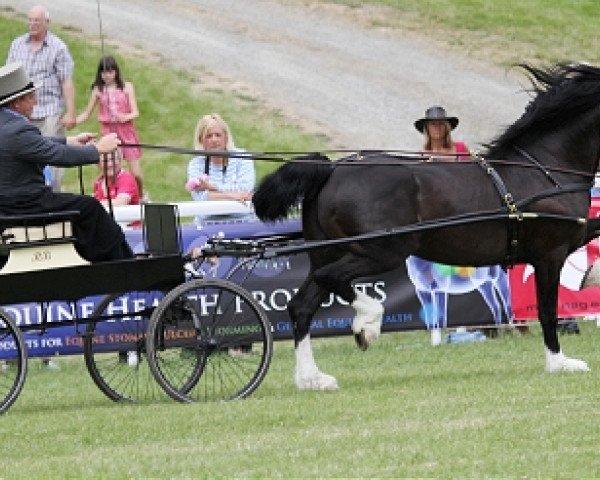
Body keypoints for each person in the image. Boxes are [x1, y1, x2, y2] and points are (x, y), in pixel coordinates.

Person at [7, 5, 77, 192]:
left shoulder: (58, 48)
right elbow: (8, 78)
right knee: (23, 154)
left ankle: (52, 192)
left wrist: (70, 112)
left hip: (49, 111)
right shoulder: (17, 44)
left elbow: (66, 81)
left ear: (47, 23)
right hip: (20, 113)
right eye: (29, 20)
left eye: (36, 20)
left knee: (52, 154)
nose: (32, 24)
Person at [77, 55, 144, 197]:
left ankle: (140, 196)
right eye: (103, 72)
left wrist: (125, 117)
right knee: (110, 168)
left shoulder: (126, 87)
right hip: (109, 131)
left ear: (116, 72)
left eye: (110, 71)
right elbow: (87, 113)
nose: (106, 75)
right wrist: (74, 121)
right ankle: (112, 194)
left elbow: (135, 112)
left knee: (136, 173)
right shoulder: (98, 90)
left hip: (126, 131)